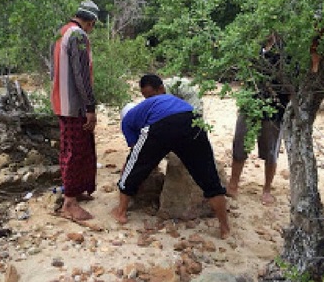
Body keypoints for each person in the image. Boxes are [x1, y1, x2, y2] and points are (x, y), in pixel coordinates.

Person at [111, 76, 230, 239]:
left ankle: (120, 213)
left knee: (133, 171)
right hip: (191, 119)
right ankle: (225, 228)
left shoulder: (128, 120)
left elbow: (135, 155)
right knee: (210, 178)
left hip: (162, 125)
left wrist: (131, 171)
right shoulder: (162, 101)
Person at [226, 32, 291, 205]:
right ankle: (233, 184)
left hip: (275, 108)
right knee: (240, 142)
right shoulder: (253, 49)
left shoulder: (287, 52)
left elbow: (290, 83)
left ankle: (267, 189)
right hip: (250, 104)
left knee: (271, 151)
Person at [50, 0, 99, 220]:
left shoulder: (61, 33)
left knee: (77, 147)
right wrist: (90, 106)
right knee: (75, 151)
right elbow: (81, 76)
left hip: (62, 101)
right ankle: (69, 202)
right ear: (91, 22)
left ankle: (76, 190)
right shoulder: (79, 36)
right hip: (74, 106)